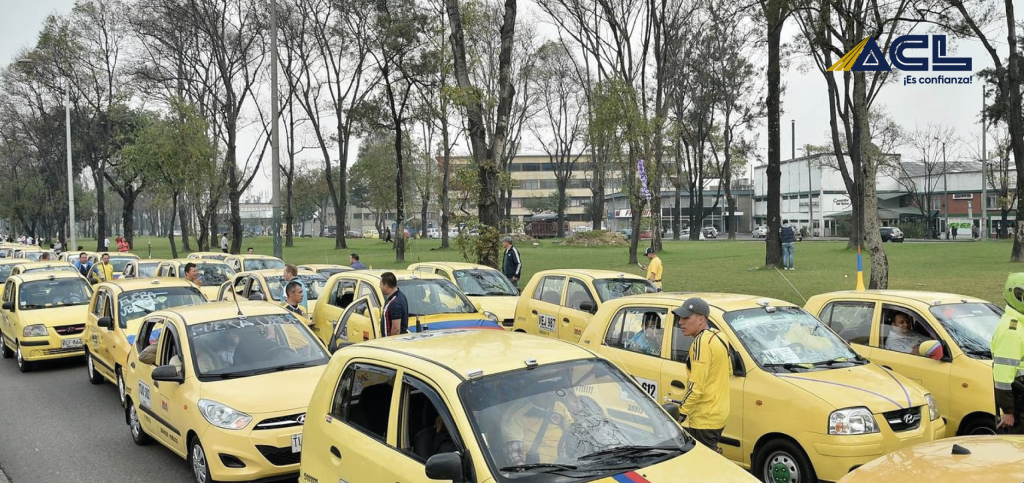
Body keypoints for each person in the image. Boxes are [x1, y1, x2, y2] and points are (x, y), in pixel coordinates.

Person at [673, 297, 731, 452]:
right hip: (720, 413)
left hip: (705, 417)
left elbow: (696, 387)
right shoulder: (719, 336)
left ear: (701, 319)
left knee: (703, 466)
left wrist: (681, 413)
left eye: (686, 318)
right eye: (680, 318)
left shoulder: (701, 343)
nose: (680, 322)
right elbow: (728, 370)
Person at [502, 388, 577, 465]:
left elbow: (574, 433)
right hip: (536, 470)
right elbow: (514, 453)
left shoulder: (559, 406)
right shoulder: (517, 413)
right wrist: (527, 474)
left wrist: (571, 402)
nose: (552, 394)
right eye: (548, 390)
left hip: (565, 467)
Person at [992, 273, 1024, 434]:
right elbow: (1003, 376)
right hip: (1019, 403)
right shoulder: (1012, 330)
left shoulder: (1020, 323)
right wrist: (1009, 411)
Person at [379, 271, 408, 337]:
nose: (379, 286)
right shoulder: (400, 295)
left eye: (380, 284)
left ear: (386, 286)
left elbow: (396, 329)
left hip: (392, 342)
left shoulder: (394, 303)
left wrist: (390, 342)